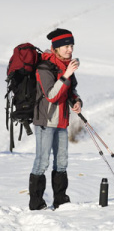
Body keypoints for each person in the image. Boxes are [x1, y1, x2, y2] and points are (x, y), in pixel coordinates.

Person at [29, 28, 82, 210]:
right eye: (66, 46)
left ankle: (60, 200)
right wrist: (66, 74)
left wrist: (76, 101)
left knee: (62, 161)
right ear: (56, 48)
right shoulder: (44, 67)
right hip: (45, 120)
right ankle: (36, 203)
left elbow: (70, 91)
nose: (70, 50)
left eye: (72, 46)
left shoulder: (66, 66)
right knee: (42, 161)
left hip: (61, 120)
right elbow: (51, 95)